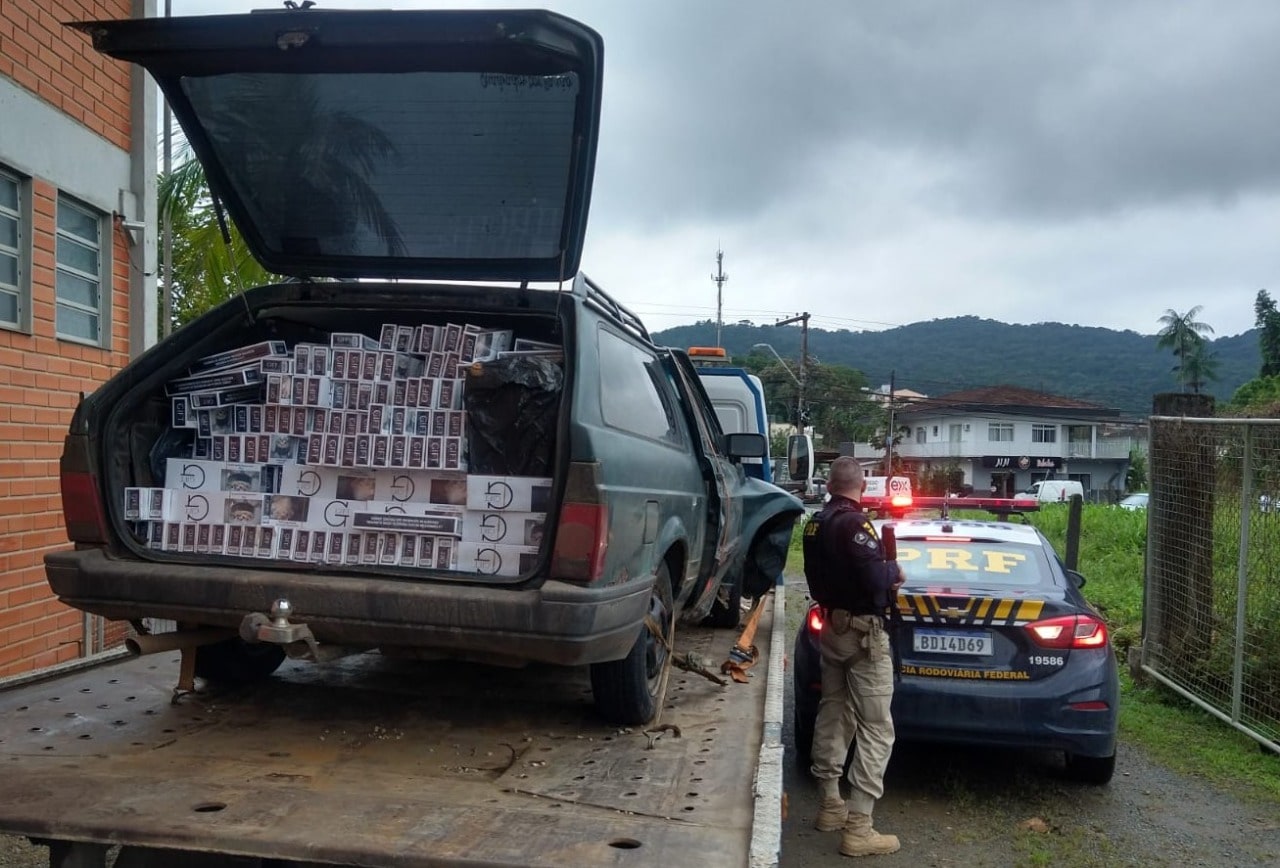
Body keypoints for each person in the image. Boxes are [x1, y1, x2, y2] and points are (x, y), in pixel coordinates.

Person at [803, 456, 905, 857]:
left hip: (831, 628)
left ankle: (830, 804)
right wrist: (893, 569)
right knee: (877, 727)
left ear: (829, 484)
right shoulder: (855, 524)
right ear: (861, 485)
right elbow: (873, 576)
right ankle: (859, 826)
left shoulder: (816, 522)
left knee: (834, 711)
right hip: (863, 635)